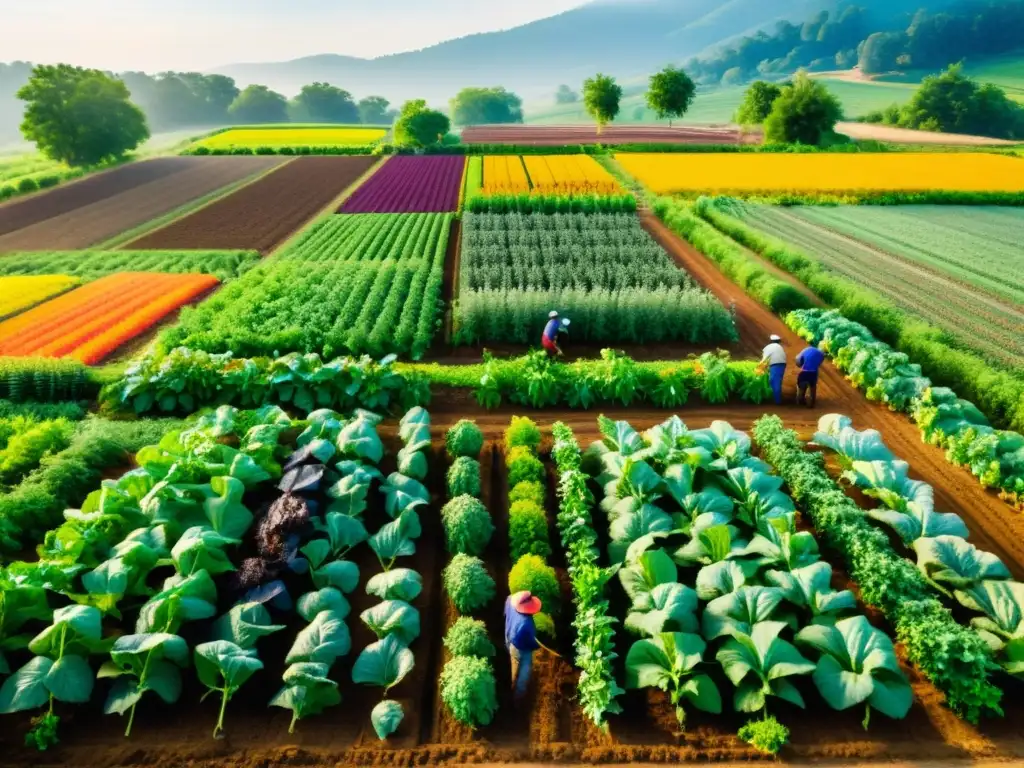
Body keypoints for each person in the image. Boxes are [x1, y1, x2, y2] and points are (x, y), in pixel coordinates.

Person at [504, 590, 541, 701]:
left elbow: (505, 614)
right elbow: (530, 643)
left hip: (508, 638)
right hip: (519, 648)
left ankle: (513, 676)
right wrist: (537, 645)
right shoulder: (526, 623)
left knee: (513, 659)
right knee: (524, 670)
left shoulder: (510, 599)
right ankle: (518, 697)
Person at [795, 340, 826, 407]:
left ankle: (800, 400)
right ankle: (812, 402)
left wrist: (802, 364)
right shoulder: (821, 354)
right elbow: (819, 363)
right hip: (813, 374)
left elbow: (798, 362)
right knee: (813, 388)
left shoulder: (805, 350)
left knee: (801, 388)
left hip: (804, 373)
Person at [761, 334, 787, 406]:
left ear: (770, 341)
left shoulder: (769, 347)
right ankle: (776, 397)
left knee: (774, 381)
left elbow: (764, 358)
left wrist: (759, 366)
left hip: (776, 365)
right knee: (775, 380)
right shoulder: (780, 347)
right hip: (782, 364)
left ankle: (777, 401)